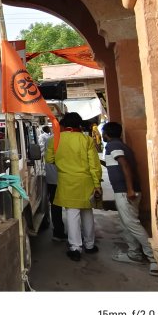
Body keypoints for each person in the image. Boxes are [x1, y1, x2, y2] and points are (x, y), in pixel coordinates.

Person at [102, 122, 158, 276]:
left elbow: (124, 165)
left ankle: (154, 258)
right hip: (126, 190)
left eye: (103, 132)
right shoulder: (121, 145)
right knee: (126, 223)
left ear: (106, 133)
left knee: (132, 224)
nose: (102, 134)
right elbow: (118, 165)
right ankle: (134, 253)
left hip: (125, 191)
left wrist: (129, 189)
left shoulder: (112, 146)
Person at [45, 112, 102, 262]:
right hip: (86, 182)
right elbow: (94, 165)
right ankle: (90, 245)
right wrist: (97, 184)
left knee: (72, 213)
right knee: (87, 212)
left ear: (64, 124)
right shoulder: (87, 140)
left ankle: (75, 248)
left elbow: (49, 159)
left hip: (67, 181)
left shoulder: (55, 140)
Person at [40, 125, 66, 242]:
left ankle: (58, 233)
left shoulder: (50, 140)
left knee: (56, 207)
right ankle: (80, 238)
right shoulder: (76, 139)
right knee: (73, 209)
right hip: (67, 178)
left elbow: (48, 158)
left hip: (52, 178)